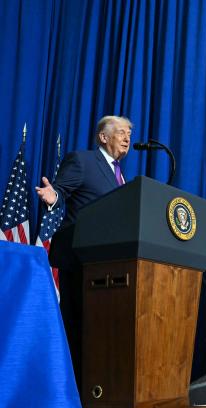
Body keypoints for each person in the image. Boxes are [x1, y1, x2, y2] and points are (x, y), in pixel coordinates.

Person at [34, 115, 133, 390]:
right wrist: (53, 198)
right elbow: (60, 192)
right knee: (76, 327)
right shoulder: (83, 160)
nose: (127, 138)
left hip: (108, 263)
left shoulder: (122, 177)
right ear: (103, 136)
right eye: (122, 132)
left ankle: (96, 390)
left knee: (99, 329)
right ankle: (70, 392)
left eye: (129, 134)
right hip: (79, 259)